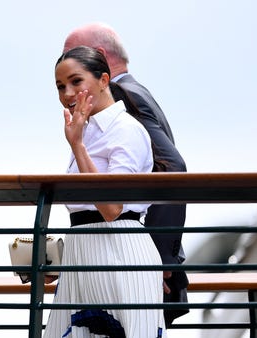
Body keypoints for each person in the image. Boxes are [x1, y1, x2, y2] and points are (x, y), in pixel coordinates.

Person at [63, 22, 189, 325]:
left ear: (99, 58)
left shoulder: (121, 95)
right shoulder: (136, 92)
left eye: (72, 56)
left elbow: (172, 169)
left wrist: (159, 261)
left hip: (128, 257)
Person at [43, 45, 166, 338]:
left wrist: (77, 146)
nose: (67, 93)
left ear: (104, 80)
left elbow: (111, 208)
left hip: (120, 253)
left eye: (76, 81)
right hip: (84, 255)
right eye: (60, 86)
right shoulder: (85, 131)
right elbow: (85, 212)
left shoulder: (126, 130)